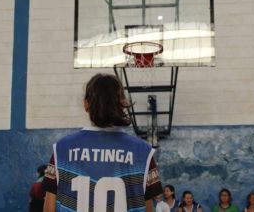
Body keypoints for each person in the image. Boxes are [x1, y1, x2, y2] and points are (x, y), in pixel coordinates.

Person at [42, 73, 163, 212]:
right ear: (122, 103)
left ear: (86, 104)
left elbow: (49, 209)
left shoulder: (61, 149)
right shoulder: (143, 152)